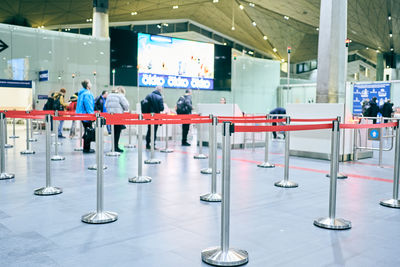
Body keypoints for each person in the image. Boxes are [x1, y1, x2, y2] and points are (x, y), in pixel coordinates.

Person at [105, 87, 129, 152]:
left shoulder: (109, 95)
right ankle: (115, 147)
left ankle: (113, 147)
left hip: (110, 116)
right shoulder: (120, 96)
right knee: (117, 132)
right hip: (118, 116)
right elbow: (126, 106)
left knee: (113, 132)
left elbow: (105, 105)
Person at [76, 80, 95, 153]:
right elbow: (88, 105)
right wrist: (91, 115)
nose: (91, 84)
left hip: (82, 115)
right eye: (90, 83)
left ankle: (86, 147)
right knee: (88, 131)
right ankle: (87, 148)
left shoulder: (81, 93)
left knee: (86, 130)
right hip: (87, 115)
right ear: (87, 85)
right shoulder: (87, 94)